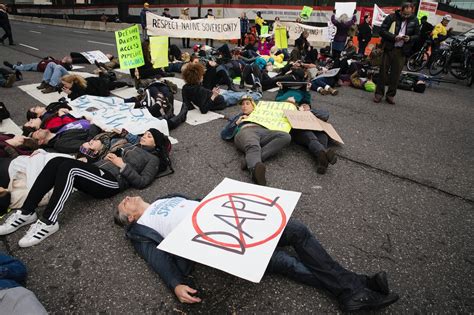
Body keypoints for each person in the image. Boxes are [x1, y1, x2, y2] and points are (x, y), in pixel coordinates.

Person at [115, 194, 399, 312]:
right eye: (123, 205)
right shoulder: (139, 230)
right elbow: (157, 258)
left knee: (297, 229)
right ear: (130, 219)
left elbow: (214, 200)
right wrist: (175, 283)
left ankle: (353, 288)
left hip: (242, 221)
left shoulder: (168, 197)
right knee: (286, 262)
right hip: (223, 243)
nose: (126, 199)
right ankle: (355, 287)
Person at [0, 130, 161, 247]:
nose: (145, 136)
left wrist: (122, 165)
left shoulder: (153, 158)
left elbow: (142, 181)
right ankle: (27, 211)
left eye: (150, 136)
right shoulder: (130, 144)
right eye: (145, 133)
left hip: (112, 182)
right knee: (55, 162)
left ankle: (48, 221)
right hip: (98, 170)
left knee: (70, 168)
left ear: (157, 143)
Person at [221, 95, 292, 185]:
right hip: (246, 131)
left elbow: (280, 112)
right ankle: (255, 170)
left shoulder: (263, 113)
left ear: (254, 105)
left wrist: (291, 104)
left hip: (263, 131)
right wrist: (236, 123)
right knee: (253, 146)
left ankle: (248, 159)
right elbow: (224, 134)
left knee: (285, 136)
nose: (244, 106)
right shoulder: (239, 116)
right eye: (242, 104)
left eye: (247, 103)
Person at [374, 2, 419, 105]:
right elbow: (382, 31)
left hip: (402, 51)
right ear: (401, 10)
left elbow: (417, 35)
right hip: (389, 48)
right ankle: (379, 94)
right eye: (405, 14)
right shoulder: (391, 17)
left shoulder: (415, 20)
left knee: (396, 74)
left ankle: (390, 95)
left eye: (409, 14)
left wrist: (410, 38)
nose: (407, 16)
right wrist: (394, 37)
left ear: (412, 11)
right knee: (383, 72)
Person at [60, 74, 128, 100]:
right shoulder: (74, 85)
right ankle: (105, 74)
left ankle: (126, 83)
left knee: (113, 85)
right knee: (112, 84)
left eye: (65, 84)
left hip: (101, 85)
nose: (64, 86)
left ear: (71, 82)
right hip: (97, 83)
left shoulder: (79, 86)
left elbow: (82, 98)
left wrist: (70, 94)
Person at [4, 55, 73, 74]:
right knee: (27, 65)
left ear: (65, 61)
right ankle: (20, 65)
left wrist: (43, 61)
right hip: (39, 64)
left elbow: (46, 67)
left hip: (38, 67)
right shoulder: (60, 63)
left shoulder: (59, 64)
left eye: (66, 57)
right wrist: (49, 58)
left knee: (25, 68)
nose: (66, 56)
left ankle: (13, 66)